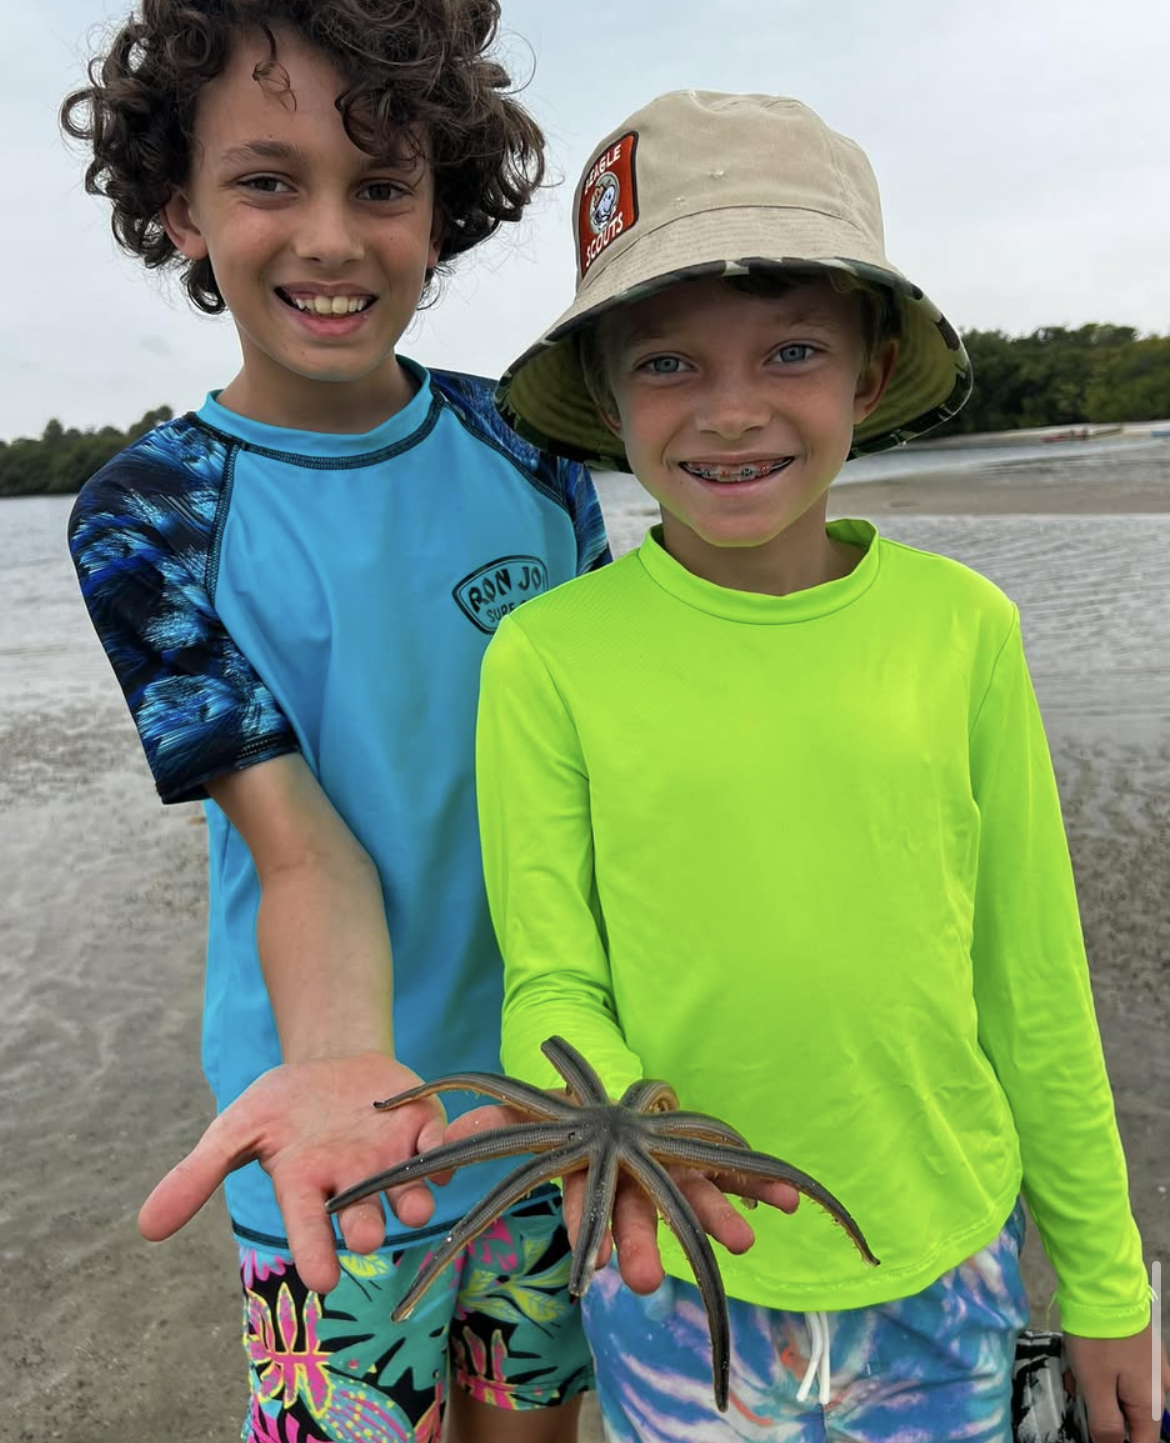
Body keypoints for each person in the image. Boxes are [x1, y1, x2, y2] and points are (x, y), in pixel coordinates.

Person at [463, 91, 1170, 1441]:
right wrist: (608, 1112)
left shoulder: (960, 628)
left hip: (944, 1257)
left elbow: (1033, 979)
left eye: (788, 349)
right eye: (666, 364)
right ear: (608, 395)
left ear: (866, 368)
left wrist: (1099, 1276)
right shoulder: (546, 656)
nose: (729, 414)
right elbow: (550, 969)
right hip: (674, 1257)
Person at [61, 3, 608, 1439]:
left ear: (442, 209)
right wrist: (347, 1077)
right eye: (266, 179)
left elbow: (610, 782)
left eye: (381, 185)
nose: (329, 236)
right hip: (321, 1120)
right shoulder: (151, 516)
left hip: (548, 1104)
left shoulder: (537, 456)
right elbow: (295, 843)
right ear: (176, 206)